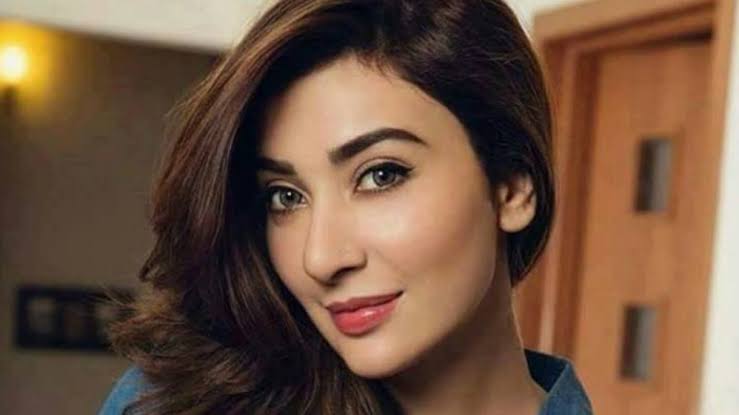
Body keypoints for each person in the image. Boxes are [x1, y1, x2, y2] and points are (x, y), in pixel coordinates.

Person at [98, 0, 592, 414]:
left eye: (381, 175)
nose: (321, 258)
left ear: (512, 189)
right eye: (286, 196)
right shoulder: (175, 403)